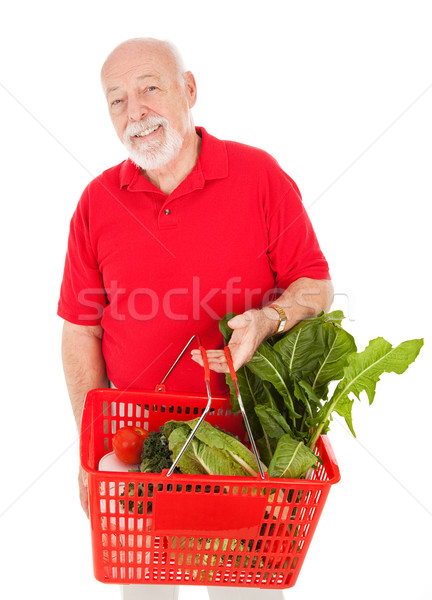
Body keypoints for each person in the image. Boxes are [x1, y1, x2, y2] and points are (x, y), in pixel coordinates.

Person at [58, 37, 333, 600]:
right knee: (145, 592)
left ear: (189, 90)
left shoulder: (258, 176)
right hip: (137, 447)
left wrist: (269, 319)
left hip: (245, 448)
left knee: (244, 593)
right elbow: (80, 329)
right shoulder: (96, 202)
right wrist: (90, 449)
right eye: (117, 101)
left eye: (150, 89)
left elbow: (315, 286)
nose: (135, 112)